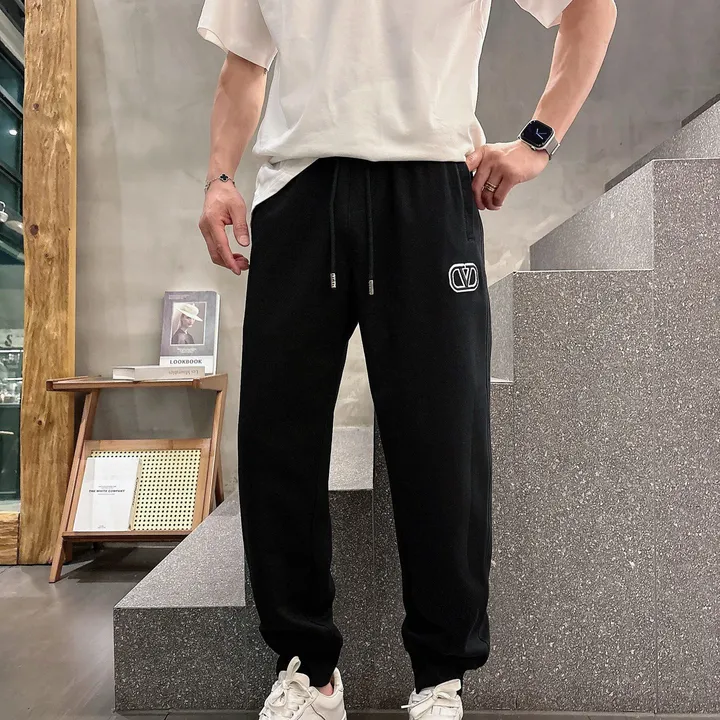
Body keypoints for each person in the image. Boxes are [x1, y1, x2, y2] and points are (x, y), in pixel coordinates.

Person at [197, 1, 616, 718]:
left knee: (444, 442)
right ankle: (307, 673)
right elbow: (243, 64)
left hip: (428, 190)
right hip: (299, 191)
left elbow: (588, 7)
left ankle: (440, 677)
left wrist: (538, 140)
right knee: (276, 440)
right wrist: (219, 177)